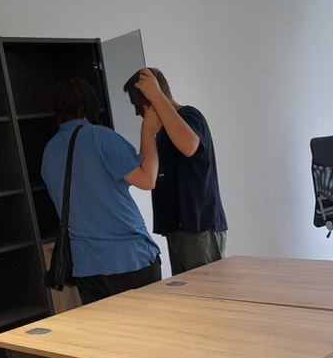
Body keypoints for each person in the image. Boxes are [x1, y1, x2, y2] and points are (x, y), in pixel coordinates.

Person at [41, 76, 162, 305]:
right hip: (129, 258)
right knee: (151, 325)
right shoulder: (100, 138)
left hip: (87, 267)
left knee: (108, 328)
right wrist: (148, 131)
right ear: (89, 104)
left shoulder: (50, 151)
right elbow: (147, 179)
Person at [123, 68, 227, 275]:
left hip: (198, 228)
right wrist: (148, 132)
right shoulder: (162, 132)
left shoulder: (189, 116)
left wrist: (156, 96)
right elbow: (148, 173)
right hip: (179, 229)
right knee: (188, 292)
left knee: (205, 291)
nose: (137, 113)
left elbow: (190, 146)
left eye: (138, 106)